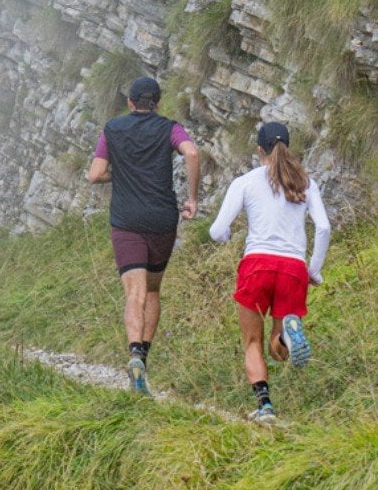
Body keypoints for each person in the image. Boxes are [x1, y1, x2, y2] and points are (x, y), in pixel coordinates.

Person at [209, 121, 330, 422]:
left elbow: (217, 230)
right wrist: (313, 271)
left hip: (257, 264)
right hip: (293, 268)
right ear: (289, 146)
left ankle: (265, 406)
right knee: (278, 348)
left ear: (259, 150)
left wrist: (226, 239)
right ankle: (288, 335)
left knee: (252, 342)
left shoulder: (246, 181)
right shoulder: (306, 182)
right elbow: (324, 227)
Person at [88, 75, 200, 394]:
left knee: (133, 293)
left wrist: (119, 174)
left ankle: (133, 351)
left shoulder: (112, 129)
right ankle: (143, 358)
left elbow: (95, 174)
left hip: (126, 221)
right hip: (162, 220)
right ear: (158, 103)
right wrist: (192, 199)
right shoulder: (169, 127)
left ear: (130, 103)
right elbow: (191, 154)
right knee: (152, 291)